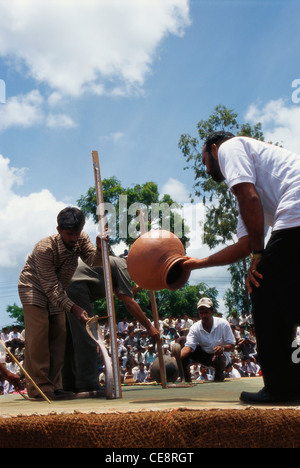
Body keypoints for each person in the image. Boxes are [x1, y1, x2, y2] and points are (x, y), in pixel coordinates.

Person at [183, 132, 300, 403]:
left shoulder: (230, 148)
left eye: (204, 160)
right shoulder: (251, 184)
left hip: (296, 210)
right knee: (288, 298)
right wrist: (198, 263)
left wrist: (259, 256)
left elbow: (250, 202)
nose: (206, 167)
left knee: (263, 288)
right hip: (294, 214)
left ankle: (282, 388)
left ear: (214, 149)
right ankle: (292, 382)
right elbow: (246, 243)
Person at [18, 207, 102, 400]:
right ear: (59, 229)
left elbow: (94, 261)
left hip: (58, 290)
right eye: (69, 234)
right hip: (34, 288)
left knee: (59, 335)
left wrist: (100, 248)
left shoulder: (81, 240)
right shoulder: (44, 248)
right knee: (39, 335)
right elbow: (50, 288)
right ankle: (39, 387)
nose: (73, 238)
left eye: (76, 233)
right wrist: (74, 307)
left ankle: (55, 385)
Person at [63, 249, 160, 393]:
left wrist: (143, 284)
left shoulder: (114, 264)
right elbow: (128, 302)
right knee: (87, 337)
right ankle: (87, 384)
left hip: (70, 285)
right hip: (78, 287)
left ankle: (70, 384)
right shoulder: (123, 265)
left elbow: (121, 294)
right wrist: (149, 327)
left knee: (72, 340)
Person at [180, 297, 235, 382]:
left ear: (212, 312)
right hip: (205, 357)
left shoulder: (223, 324)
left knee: (219, 356)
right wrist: (175, 358)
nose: (203, 315)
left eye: (206, 312)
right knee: (181, 340)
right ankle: (186, 377)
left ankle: (219, 374)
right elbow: (188, 347)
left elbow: (232, 346)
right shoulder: (195, 327)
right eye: (201, 313)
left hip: (221, 358)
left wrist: (222, 348)